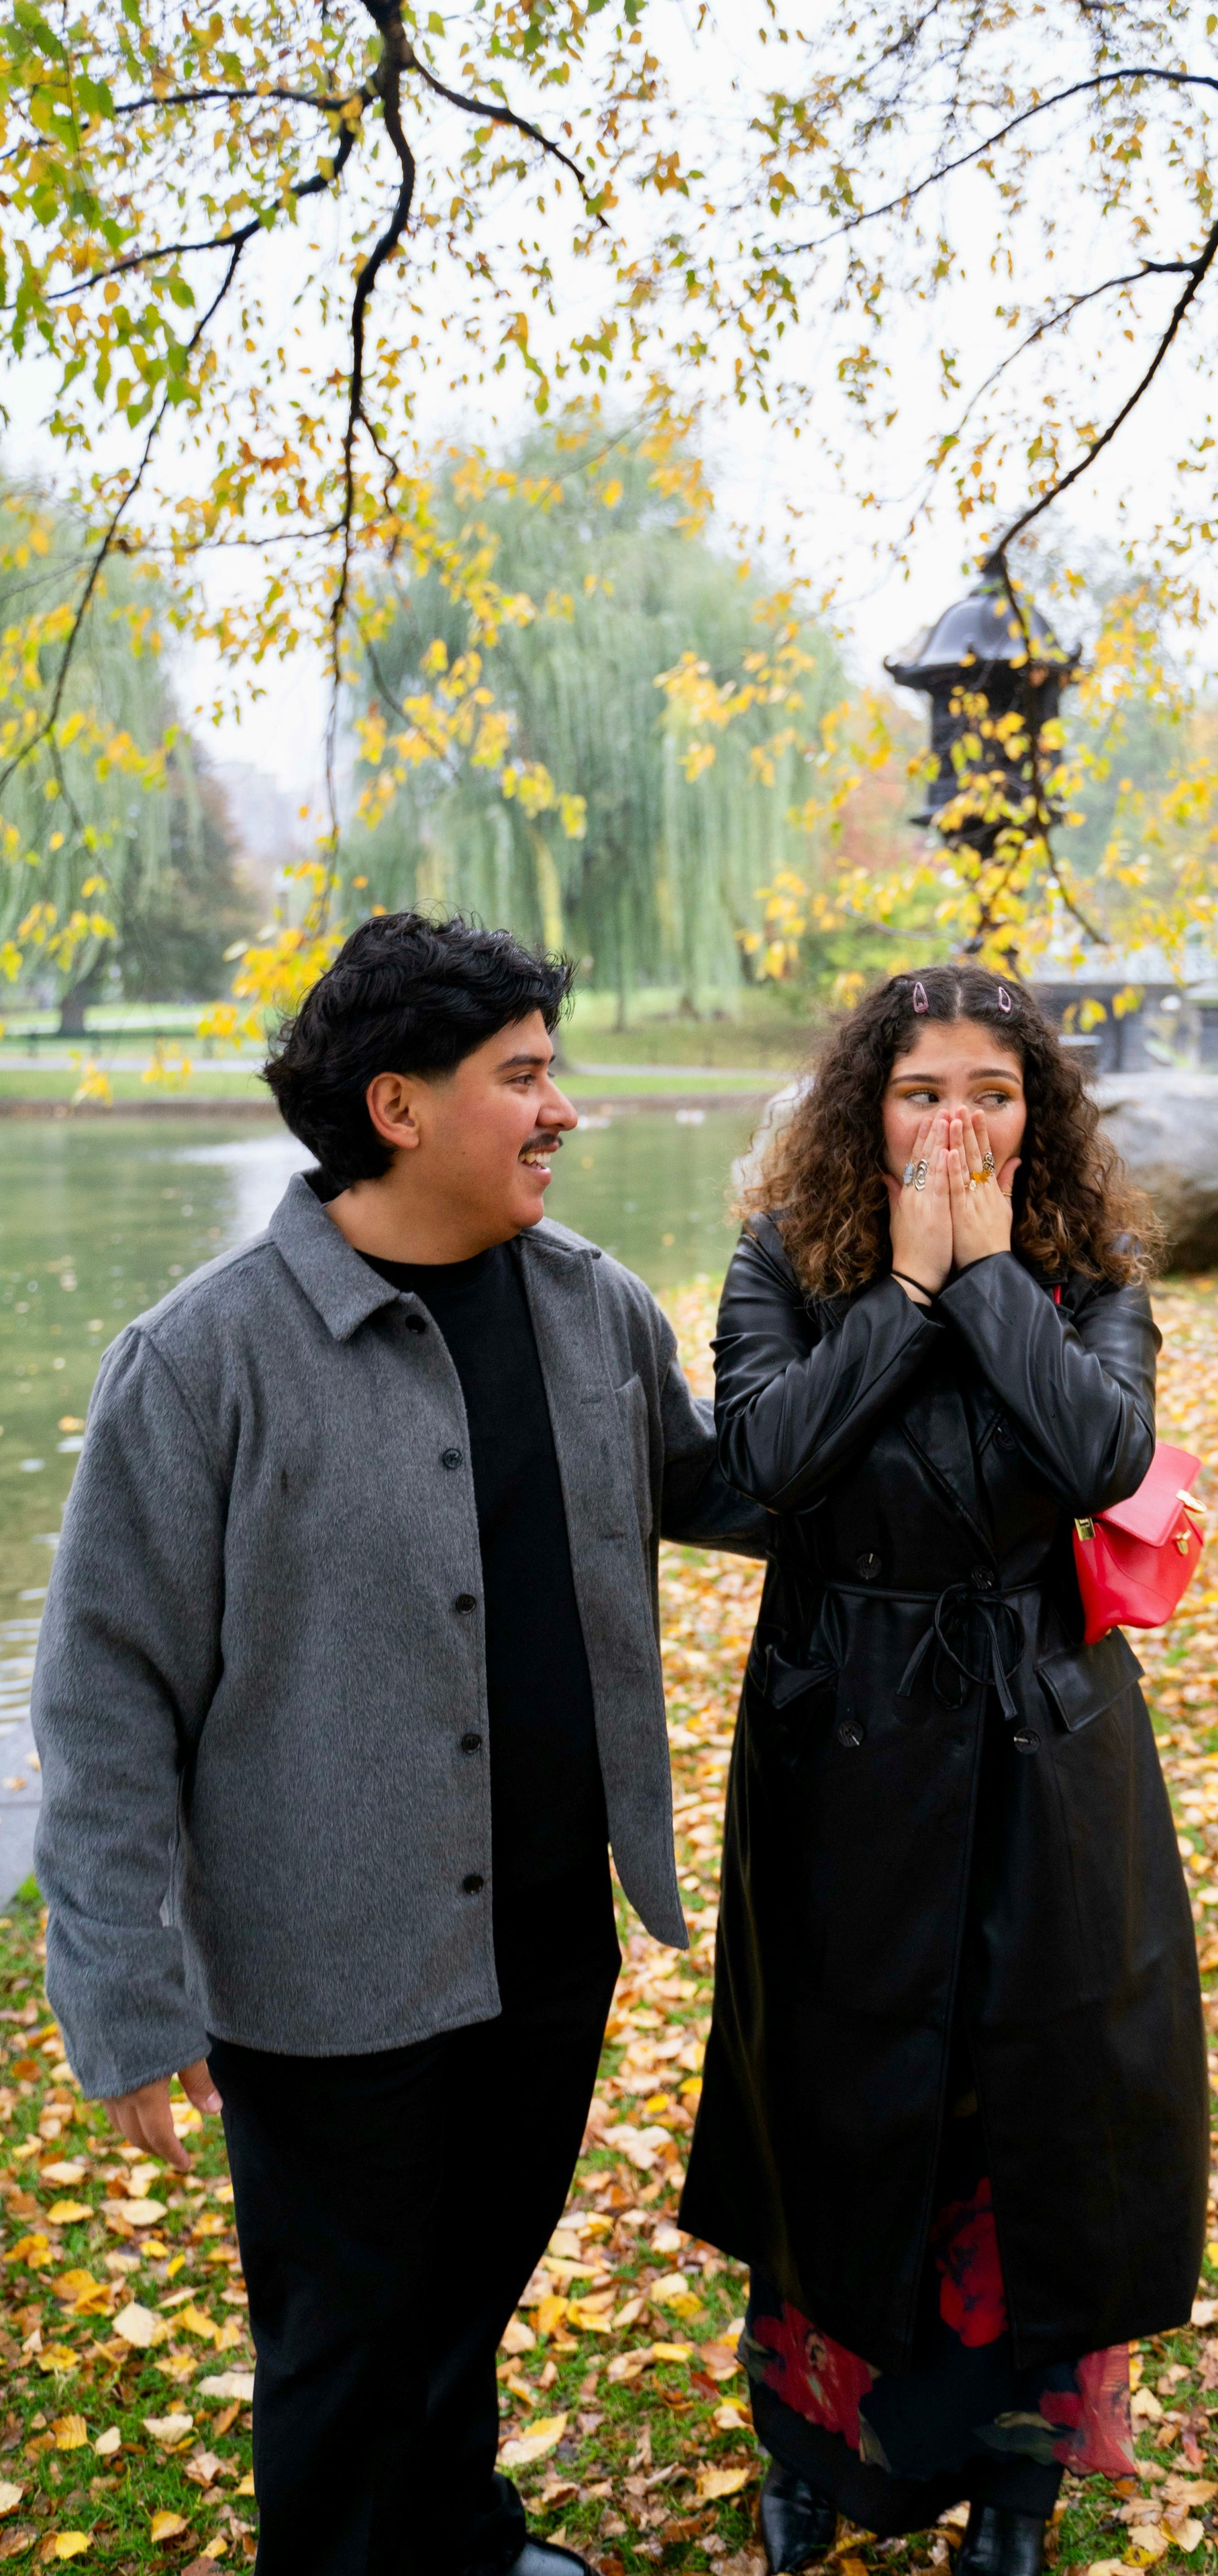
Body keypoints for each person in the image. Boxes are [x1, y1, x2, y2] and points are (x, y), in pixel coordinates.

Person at [32, 913, 763, 2576]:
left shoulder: (592, 1310)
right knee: (346, 2339)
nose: (560, 1107)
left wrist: (911, 1334)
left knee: (470, 2284)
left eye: (552, 1069)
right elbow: (102, 1691)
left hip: (547, 1934)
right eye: (521, 1074)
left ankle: (462, 2533)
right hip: (322, 1968)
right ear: (397, 1105)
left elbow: (726, 1486)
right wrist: (125, 1984)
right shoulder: (200, 1359)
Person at [680, 966, 1208, 2576]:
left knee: (1035, 2104)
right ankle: (805, 2455)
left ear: (1030, 1107)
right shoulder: (784, 1256)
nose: (956, 1121)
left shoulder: (1086, 1273)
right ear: (869, 1106)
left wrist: (982, 1284)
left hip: (1048, 1738)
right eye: (922, 1091)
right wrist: (900, 1294)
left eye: (990, 1088)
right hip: (841, 1732)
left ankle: (1018, 2487)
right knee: (834, 2093)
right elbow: (759, 1460)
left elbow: (1102, 1459)